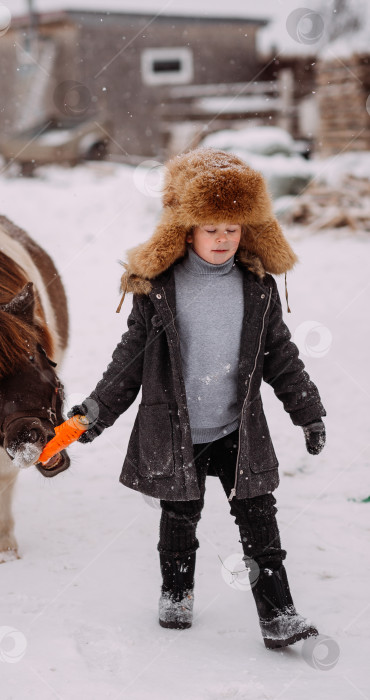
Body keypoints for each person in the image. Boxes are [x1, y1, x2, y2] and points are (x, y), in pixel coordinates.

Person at [69, 148, 326, 649]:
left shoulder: (258, 288)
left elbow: (281, 355)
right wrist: (92, 417)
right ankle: (177, 592)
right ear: (187, 229)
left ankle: (279, 616)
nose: (223, 239)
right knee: (179, 519)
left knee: (260, 520)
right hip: (176, 427)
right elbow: (128, 364)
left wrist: (308, 412)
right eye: (211, 229)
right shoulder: (159, 289)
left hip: (237, 427)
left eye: (232, 229)